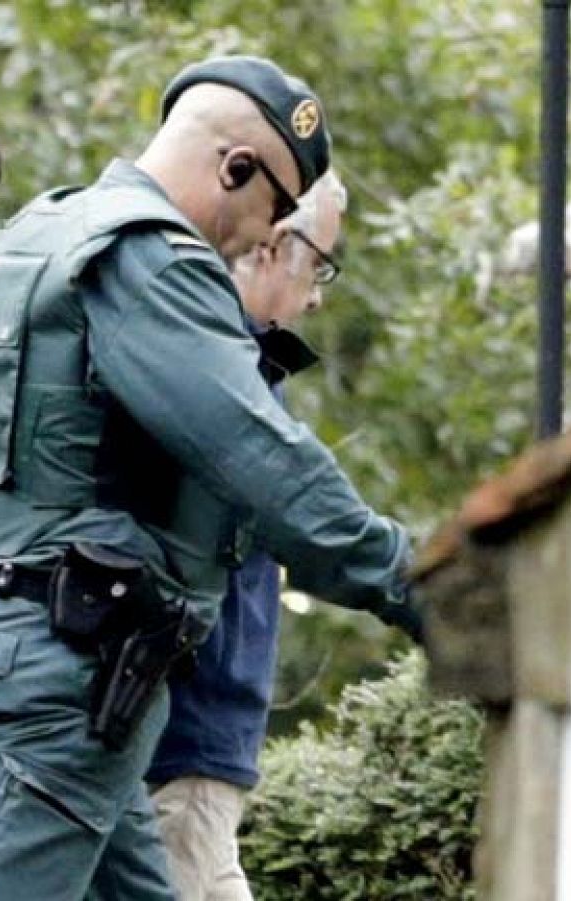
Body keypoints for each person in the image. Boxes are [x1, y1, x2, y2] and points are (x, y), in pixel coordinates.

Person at [0, 56, 420, 901]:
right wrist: (421, 582)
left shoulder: (42, 231)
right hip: (66, 668)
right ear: (234, 168)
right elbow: (264, 462)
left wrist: (24, 535)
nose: (264, 237)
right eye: (275, 210)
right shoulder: (159, 261)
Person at [148, 170, 347, 901]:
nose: (318, 293)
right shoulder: (213, 372)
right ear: (271, 247)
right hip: (185, 733)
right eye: (319, 263)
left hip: (212, 738)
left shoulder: (251, 366)